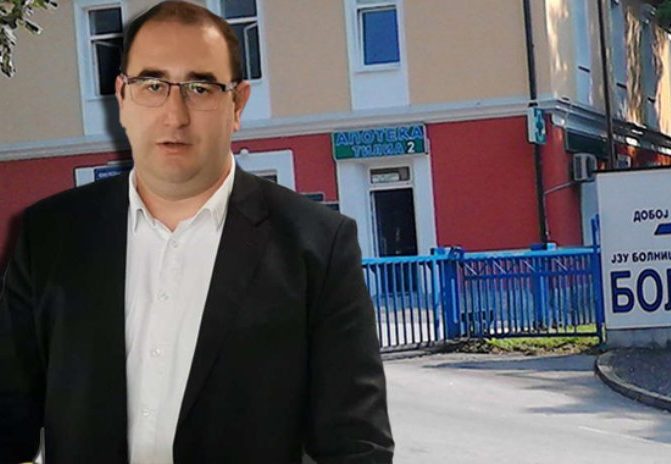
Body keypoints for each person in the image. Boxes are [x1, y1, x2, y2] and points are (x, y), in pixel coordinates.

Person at [0, 1, 394, 463]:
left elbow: (356, 446)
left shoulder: (317, 247)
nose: (175, 115)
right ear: (122, 98)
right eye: (152, 85)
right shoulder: (51, 237)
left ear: (237, 104)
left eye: (200, 88)